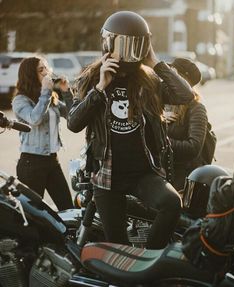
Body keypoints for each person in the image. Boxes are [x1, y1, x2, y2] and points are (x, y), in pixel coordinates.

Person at [67, 11, 195, 249]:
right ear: (108, 43)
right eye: (122, 44)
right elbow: (74, 123)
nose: (127, 52)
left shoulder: (148, 81)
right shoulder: (90, 78)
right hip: (106, 179)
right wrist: (100, 88)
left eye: (135, 45)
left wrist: (156, 63)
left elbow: (185, 95)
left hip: (143, 174)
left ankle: (148, 258)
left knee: (172, 203)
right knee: (118, 244)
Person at [12, 56, 73, 211]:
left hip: (53, 161)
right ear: (31, 75)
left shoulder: (51, 99)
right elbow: (35, 119)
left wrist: (67, 92)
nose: (46, 73)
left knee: (68, 208)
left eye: (47, 68)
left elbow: (73, 116)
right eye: (41, 70)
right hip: (32, 164)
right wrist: (46, 91)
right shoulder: (20, 100)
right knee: (35, 216)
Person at [163, 58, 208, 191]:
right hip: (159, 173)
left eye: (172, 74)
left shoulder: (196, 108)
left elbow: (193, 147)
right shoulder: (162, 101)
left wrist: (162, 141)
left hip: (181, 179)